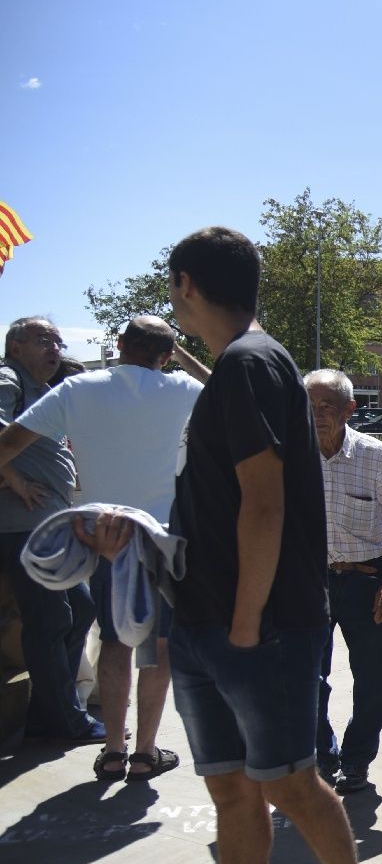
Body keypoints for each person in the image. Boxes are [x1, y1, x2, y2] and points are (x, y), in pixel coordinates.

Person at [127, 226, 380, 864]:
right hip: (210, 621)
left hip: (254, 629)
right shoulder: (246, 364)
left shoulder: (246, 364)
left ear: (185, 284)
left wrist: (242, 624)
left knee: (290, 784)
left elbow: (265, 502)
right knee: (235, 789)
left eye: (174, 288)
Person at [0, 315, 206, 779]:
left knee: (115, 643)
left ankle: (114, 751)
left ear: (118, 344)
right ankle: (145, 754)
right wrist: (185, 356)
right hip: (161, 534)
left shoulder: (75, 390)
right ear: (167, 356)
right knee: (157, 645)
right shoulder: (182, 390)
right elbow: (229, 393)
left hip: (102, 532)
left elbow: (7, 444)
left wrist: (11, 477)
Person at [305, 369, 382, 794]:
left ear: (349, 410)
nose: (317, 416)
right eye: (309, 406)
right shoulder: (291, 456)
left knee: (372, 679)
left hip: (367, 580)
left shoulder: (373, 456)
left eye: (326, 407)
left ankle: (356, 760)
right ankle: (322, 755)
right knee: (307, 678)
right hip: (310, 581)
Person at [0, 316, 103, 744]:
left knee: (79, 610)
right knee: (51, 619)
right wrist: (17, 479)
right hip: (20, 528)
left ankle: (48, 714)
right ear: (16, 345)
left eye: (59, 342)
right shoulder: (7, 376)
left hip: (46, 527)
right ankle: (64, 723)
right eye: (44, 340)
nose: (55, 349)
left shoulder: (39, 388)